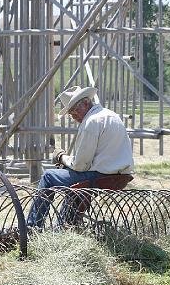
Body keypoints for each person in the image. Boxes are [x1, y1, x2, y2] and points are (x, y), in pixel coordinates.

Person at [26, 85, 134, 228]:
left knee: (48, 176)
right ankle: (65, 225)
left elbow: (81, 165)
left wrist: (61, 157)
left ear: (86, 103)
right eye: (71, 113)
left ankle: (32, 226)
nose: (74, 116)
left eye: (75, 110)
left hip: (99, 176)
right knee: (75, 181)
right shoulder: (111, 115)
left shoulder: (91, 122)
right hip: (120, 176)